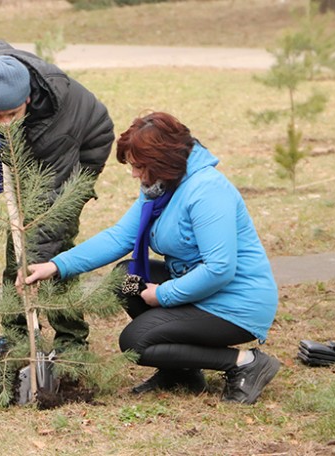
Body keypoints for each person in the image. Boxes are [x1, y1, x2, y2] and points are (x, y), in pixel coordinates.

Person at [21, 112, 281, 405]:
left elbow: (219, 268)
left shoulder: (207, 191)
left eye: (140, 166)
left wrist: (165, 294)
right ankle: (181, 371)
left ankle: (245, 362)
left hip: (234, 304)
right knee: (126, 280)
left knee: (136, 343)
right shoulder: (160, 188)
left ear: (164, 161)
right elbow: (121, 237)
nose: (134, 174)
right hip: (197, 289)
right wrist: (57, 265)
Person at [0, 41, 114, 353]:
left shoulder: (57, 126)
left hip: (81, 152)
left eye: (12, 114)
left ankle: (71, 342)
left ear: (29, 99)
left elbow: (52, 206)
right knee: (16, 246)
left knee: (52, 248)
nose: (4, 123)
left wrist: (33, 263)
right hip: (36, 143)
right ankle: (17, 338)